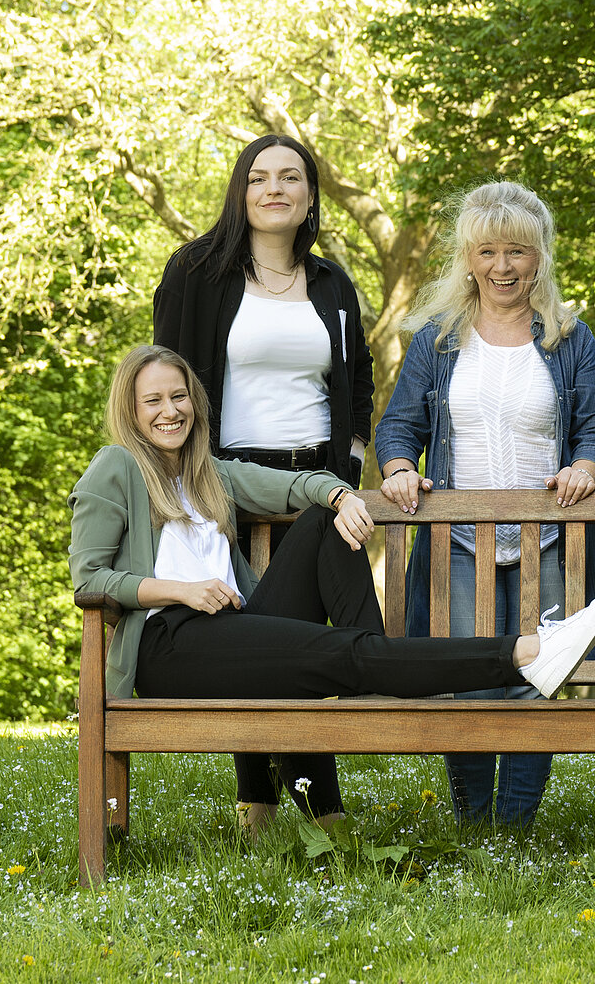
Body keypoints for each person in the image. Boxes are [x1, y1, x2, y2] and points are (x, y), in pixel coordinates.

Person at [68, 345, 595, 829]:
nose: (170, 411)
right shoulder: (116, 467)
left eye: (179, 396)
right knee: (341, 653)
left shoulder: (208, 473)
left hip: (229, 630)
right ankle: (526, 653)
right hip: (169, 644)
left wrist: (340, 497)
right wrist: (179, 591)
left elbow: (299, 485)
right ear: (130, 411)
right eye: (153, 401)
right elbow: (89, 579)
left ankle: (370, 667)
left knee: (321, 522)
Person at [152, 134, 373, 835]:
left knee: (297, 636)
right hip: (227, 481)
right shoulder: (196, 272)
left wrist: (349, 469)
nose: (274, 188)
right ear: (240, 191)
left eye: (290, 177)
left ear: (310, 195)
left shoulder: (333, 284)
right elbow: (164, 381)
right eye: (259, 177)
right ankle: (276, 806)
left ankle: (303, 806)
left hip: (318, 483)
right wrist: (182, 482)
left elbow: (357, 383)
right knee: (248, 637)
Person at [374, 181, 595, 828]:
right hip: (457, 542)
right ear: (467, 258)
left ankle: (515, 828)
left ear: (540, 257)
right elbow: (398, 428)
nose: (502, 266)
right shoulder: (437, 340)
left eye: (517, 251)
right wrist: (400, 469)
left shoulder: (570, 338)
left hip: (549, 539)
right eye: (487, 252)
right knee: (468, 679)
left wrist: (586, 468)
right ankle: (474, 824)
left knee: (540, 677)